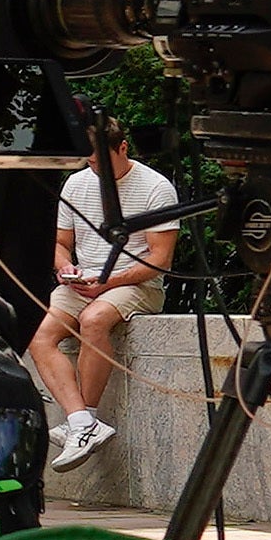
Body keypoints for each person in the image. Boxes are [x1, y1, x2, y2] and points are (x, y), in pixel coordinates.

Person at [28, 109, 179, 469]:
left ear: (123, 148)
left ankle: (84, 419)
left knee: (94, 320)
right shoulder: (76, 183)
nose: (96, 170)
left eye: (102, 163)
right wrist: (65, 267)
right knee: (39, 335)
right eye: (90, 163)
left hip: (135, 282)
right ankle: (82, 422)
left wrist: (107, 282)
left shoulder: (156, 188)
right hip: (84, 280)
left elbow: (160, 259)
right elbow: (59, 242)